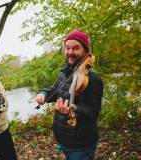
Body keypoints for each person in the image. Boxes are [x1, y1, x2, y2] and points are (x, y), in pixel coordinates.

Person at [36, 29, 103, 160]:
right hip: (65, 141)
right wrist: (42, 94)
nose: (70, 52)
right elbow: (53, 91)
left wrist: (72, 108)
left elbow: (93, 113)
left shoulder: (92, 78)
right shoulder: (64, 73)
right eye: (67, 48)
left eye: (75, 48)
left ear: (85, 51)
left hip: (81, 146)